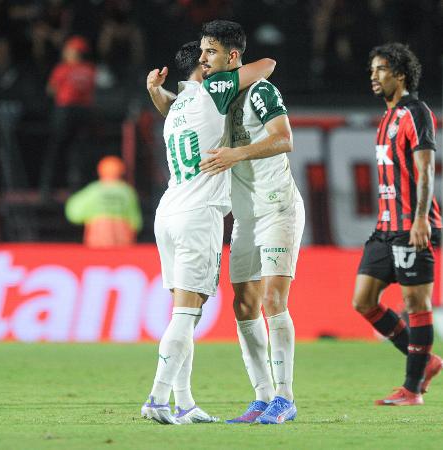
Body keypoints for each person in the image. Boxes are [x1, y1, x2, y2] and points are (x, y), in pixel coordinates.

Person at [141, 41, 276, 425]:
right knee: (186, 313)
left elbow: (170, 102)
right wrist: (229, 68)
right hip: (198, 215)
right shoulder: (212, 91)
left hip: (168, 211)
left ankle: (184, 403)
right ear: (203, 67)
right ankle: (157, 398)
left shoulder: (176, 107)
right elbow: (267, 64)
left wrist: (154, 90)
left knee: (186, 312)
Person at [198, 20, 304, 424]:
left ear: (232, 57)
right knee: (243, 305)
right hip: (244, 217)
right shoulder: (214, 99)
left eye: (210, 51)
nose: (203, 58)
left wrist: (237, 154)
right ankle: (261, 396)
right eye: (202, 51)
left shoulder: (260, 91)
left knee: (274, 300)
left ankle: (285, 397)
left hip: (278, 209)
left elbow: (284, 138)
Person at [352, 42, 442, 406]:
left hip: (411, 226)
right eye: (372, 70)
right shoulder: (387, 118)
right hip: (385, 229)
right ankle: (427, 361)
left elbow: (426, 169)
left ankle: (412, 388)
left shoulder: (416, 113)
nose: (373, 76)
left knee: (415, 302)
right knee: (363, 301)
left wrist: (420, 218)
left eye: (381, 70)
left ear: (400, 75)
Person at [40, 35, 96, 197]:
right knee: (78, 150)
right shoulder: (90, 69)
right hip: (84, 112)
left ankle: (47, 188)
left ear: (74, 52)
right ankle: (78, 188)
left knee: (56, 149)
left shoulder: (62, 69)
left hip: (65, 112)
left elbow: (51, 90)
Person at [65, 155, 142, 248]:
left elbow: (73, 213)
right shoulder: (127, 192)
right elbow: (135, 222)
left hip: (98, 240)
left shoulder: (93, 191)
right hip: (122, 240)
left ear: (100, 171)